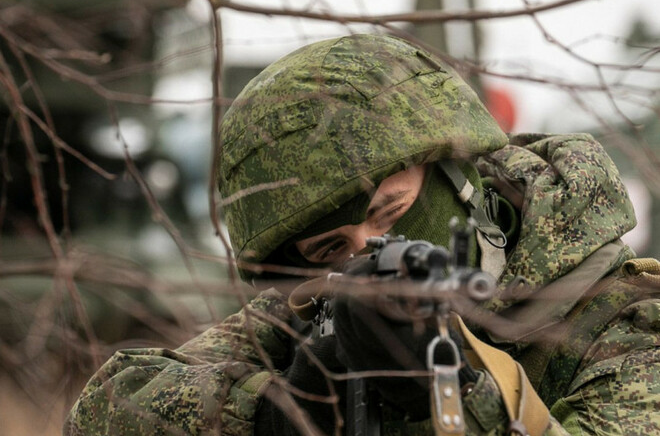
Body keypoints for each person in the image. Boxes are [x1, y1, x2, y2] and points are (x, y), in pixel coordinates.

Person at [65, 34, 660, 436]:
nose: (366, 254)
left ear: (459, 178)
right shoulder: (313, 315)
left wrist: (447, 395)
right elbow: (106, 412)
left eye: (391, 210)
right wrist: (292, 410)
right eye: (330, 248)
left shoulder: (624, 326)